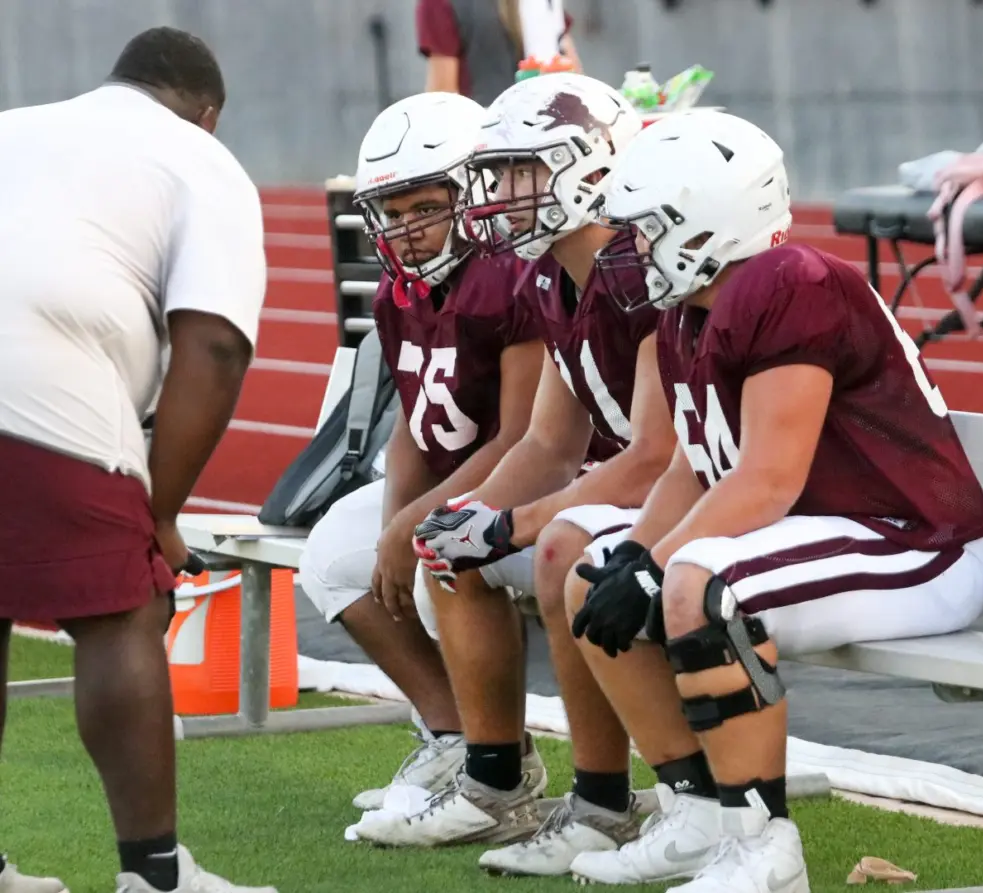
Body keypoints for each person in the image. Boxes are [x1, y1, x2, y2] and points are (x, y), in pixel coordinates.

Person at [565, 109, 983, 892]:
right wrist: (631, 556)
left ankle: (763, 845)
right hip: (829, 534)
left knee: (700, 585)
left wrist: (656, 568)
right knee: (593, 575)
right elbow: (693, 467)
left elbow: (768, 479)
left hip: (912, 542)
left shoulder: (791, 282)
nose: (629, 249)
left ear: (705, 220)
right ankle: (696, 814)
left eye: (646, 228)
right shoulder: (687, 312)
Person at [357, 73, 694, 873]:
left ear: (592, 167)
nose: (498, 194)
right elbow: (545, 443)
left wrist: (514, 520)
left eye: (517, 171)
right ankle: (493, 781)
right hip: (635, 483)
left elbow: (655, 452)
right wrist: (463, 518)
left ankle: (612, 798)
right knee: (454, 542)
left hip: (701, 488)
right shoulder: (548, 274)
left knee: (557, 547)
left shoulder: (642, 270)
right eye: (497, 173)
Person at [0, 26, 272, 893]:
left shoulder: (17, 124)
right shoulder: (201, 159)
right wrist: (159, 513)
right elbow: (215, 346)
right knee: (122, 608)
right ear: (209, 114)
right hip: (43, 369)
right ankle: (155, 876)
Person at [298, 91, 547, 811]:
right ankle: (454, 734)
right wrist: (393, 522)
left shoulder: (512, 276)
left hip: (532, 485)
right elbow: (413, 415)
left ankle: (506, 761)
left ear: (473, 193)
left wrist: (414, 523)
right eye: (393, 212)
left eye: (426, 208)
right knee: (332, 556)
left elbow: (521, 438)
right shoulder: (400, 291)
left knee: (440, 549)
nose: (407, 231)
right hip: (457, 479)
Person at [416, 0, 581, 104]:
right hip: (552, 130)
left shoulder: (439, 4)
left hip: (485, 138)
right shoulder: (545, 4)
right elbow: (576, 76)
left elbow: (442, 98)